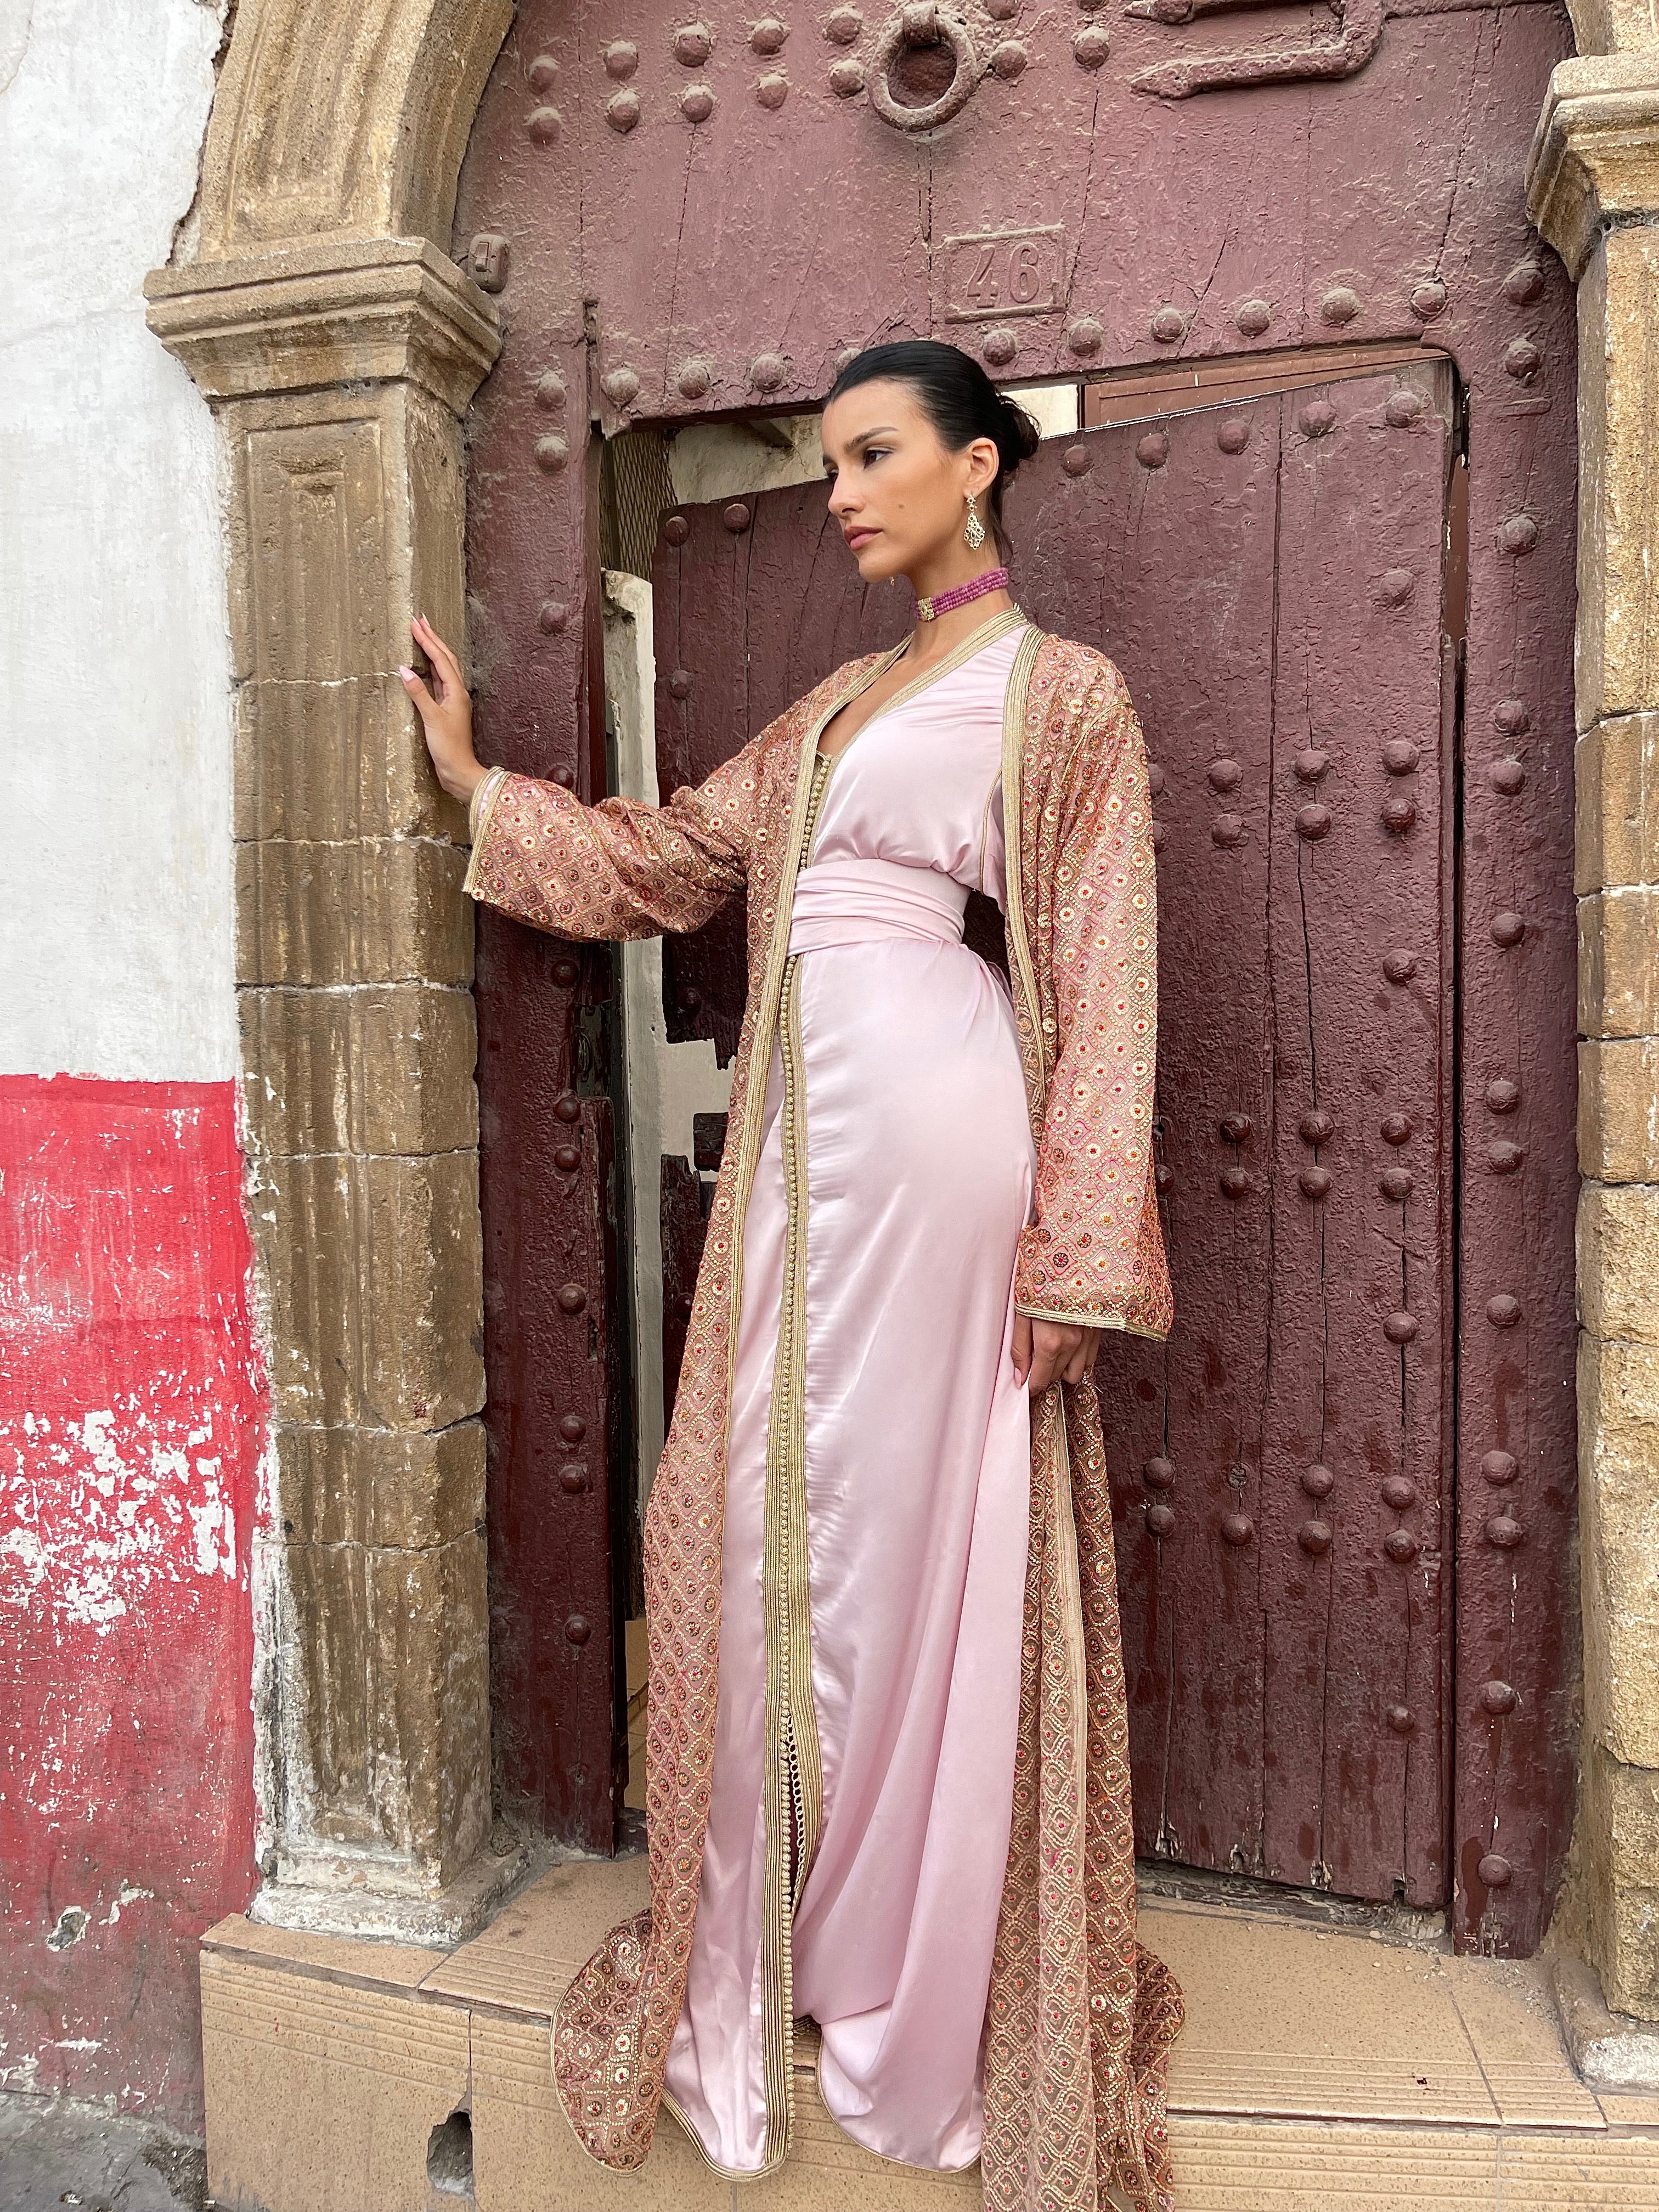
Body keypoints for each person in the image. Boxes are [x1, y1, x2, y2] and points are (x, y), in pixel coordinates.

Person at [400, 339, 1183, 2212]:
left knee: (920, 1530)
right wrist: (476, 787)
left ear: (976, 467)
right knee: (773, 1528)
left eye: (872, 454)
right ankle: (789, 1943)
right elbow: (678, 859)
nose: (838, 491)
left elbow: (1109, 965)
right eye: (826, 460)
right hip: (795, 1158)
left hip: (942, 1136)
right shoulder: (837, 703)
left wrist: (1079, 1252)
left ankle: (918, 1973)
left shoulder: (1062, 691)